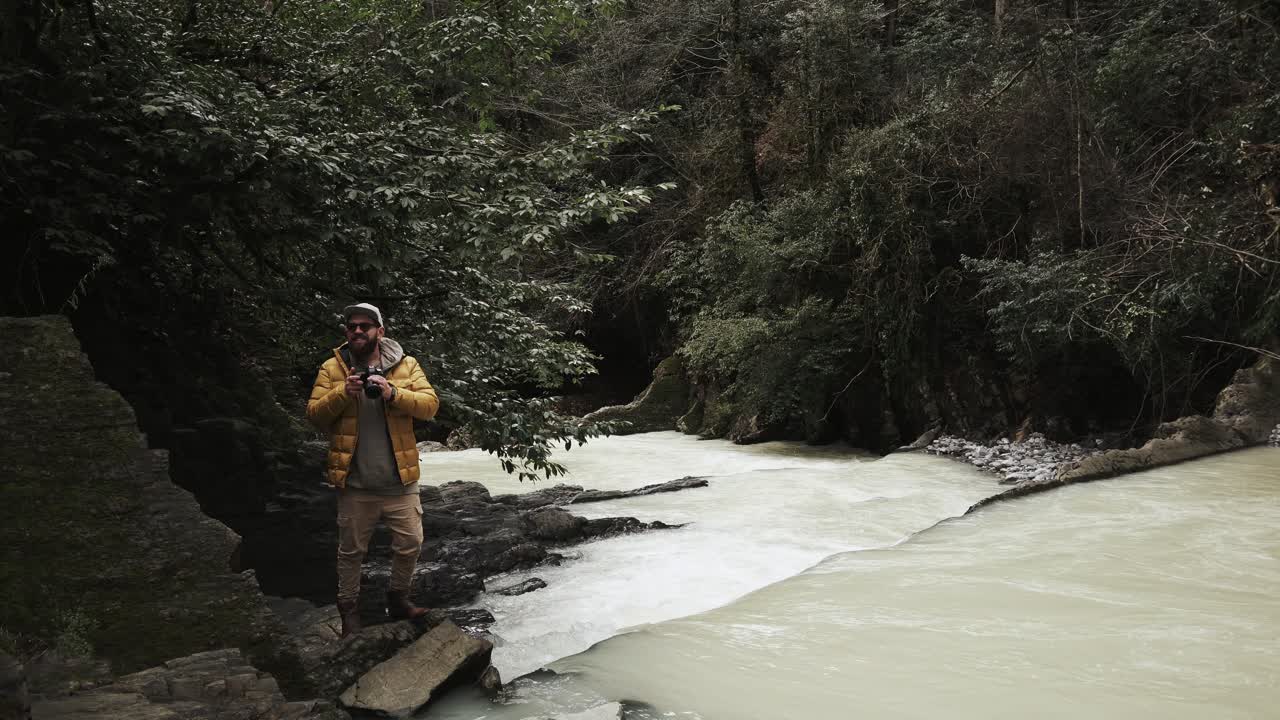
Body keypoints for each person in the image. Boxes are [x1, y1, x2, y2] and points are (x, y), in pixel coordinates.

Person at [306, 302, 440, 637]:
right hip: (355, 483)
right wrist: (343, 393)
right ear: (346, 332)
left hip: (399, 480)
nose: (357, 331)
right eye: (352, 326)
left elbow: (429, 406)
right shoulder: (331, 369)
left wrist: (393, 392)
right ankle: (349, 613)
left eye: (365, 326)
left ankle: (398, 598)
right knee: (350, 551)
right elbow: (314, 414)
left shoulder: (406, 365)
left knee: (411, 543)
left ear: (380, 331)